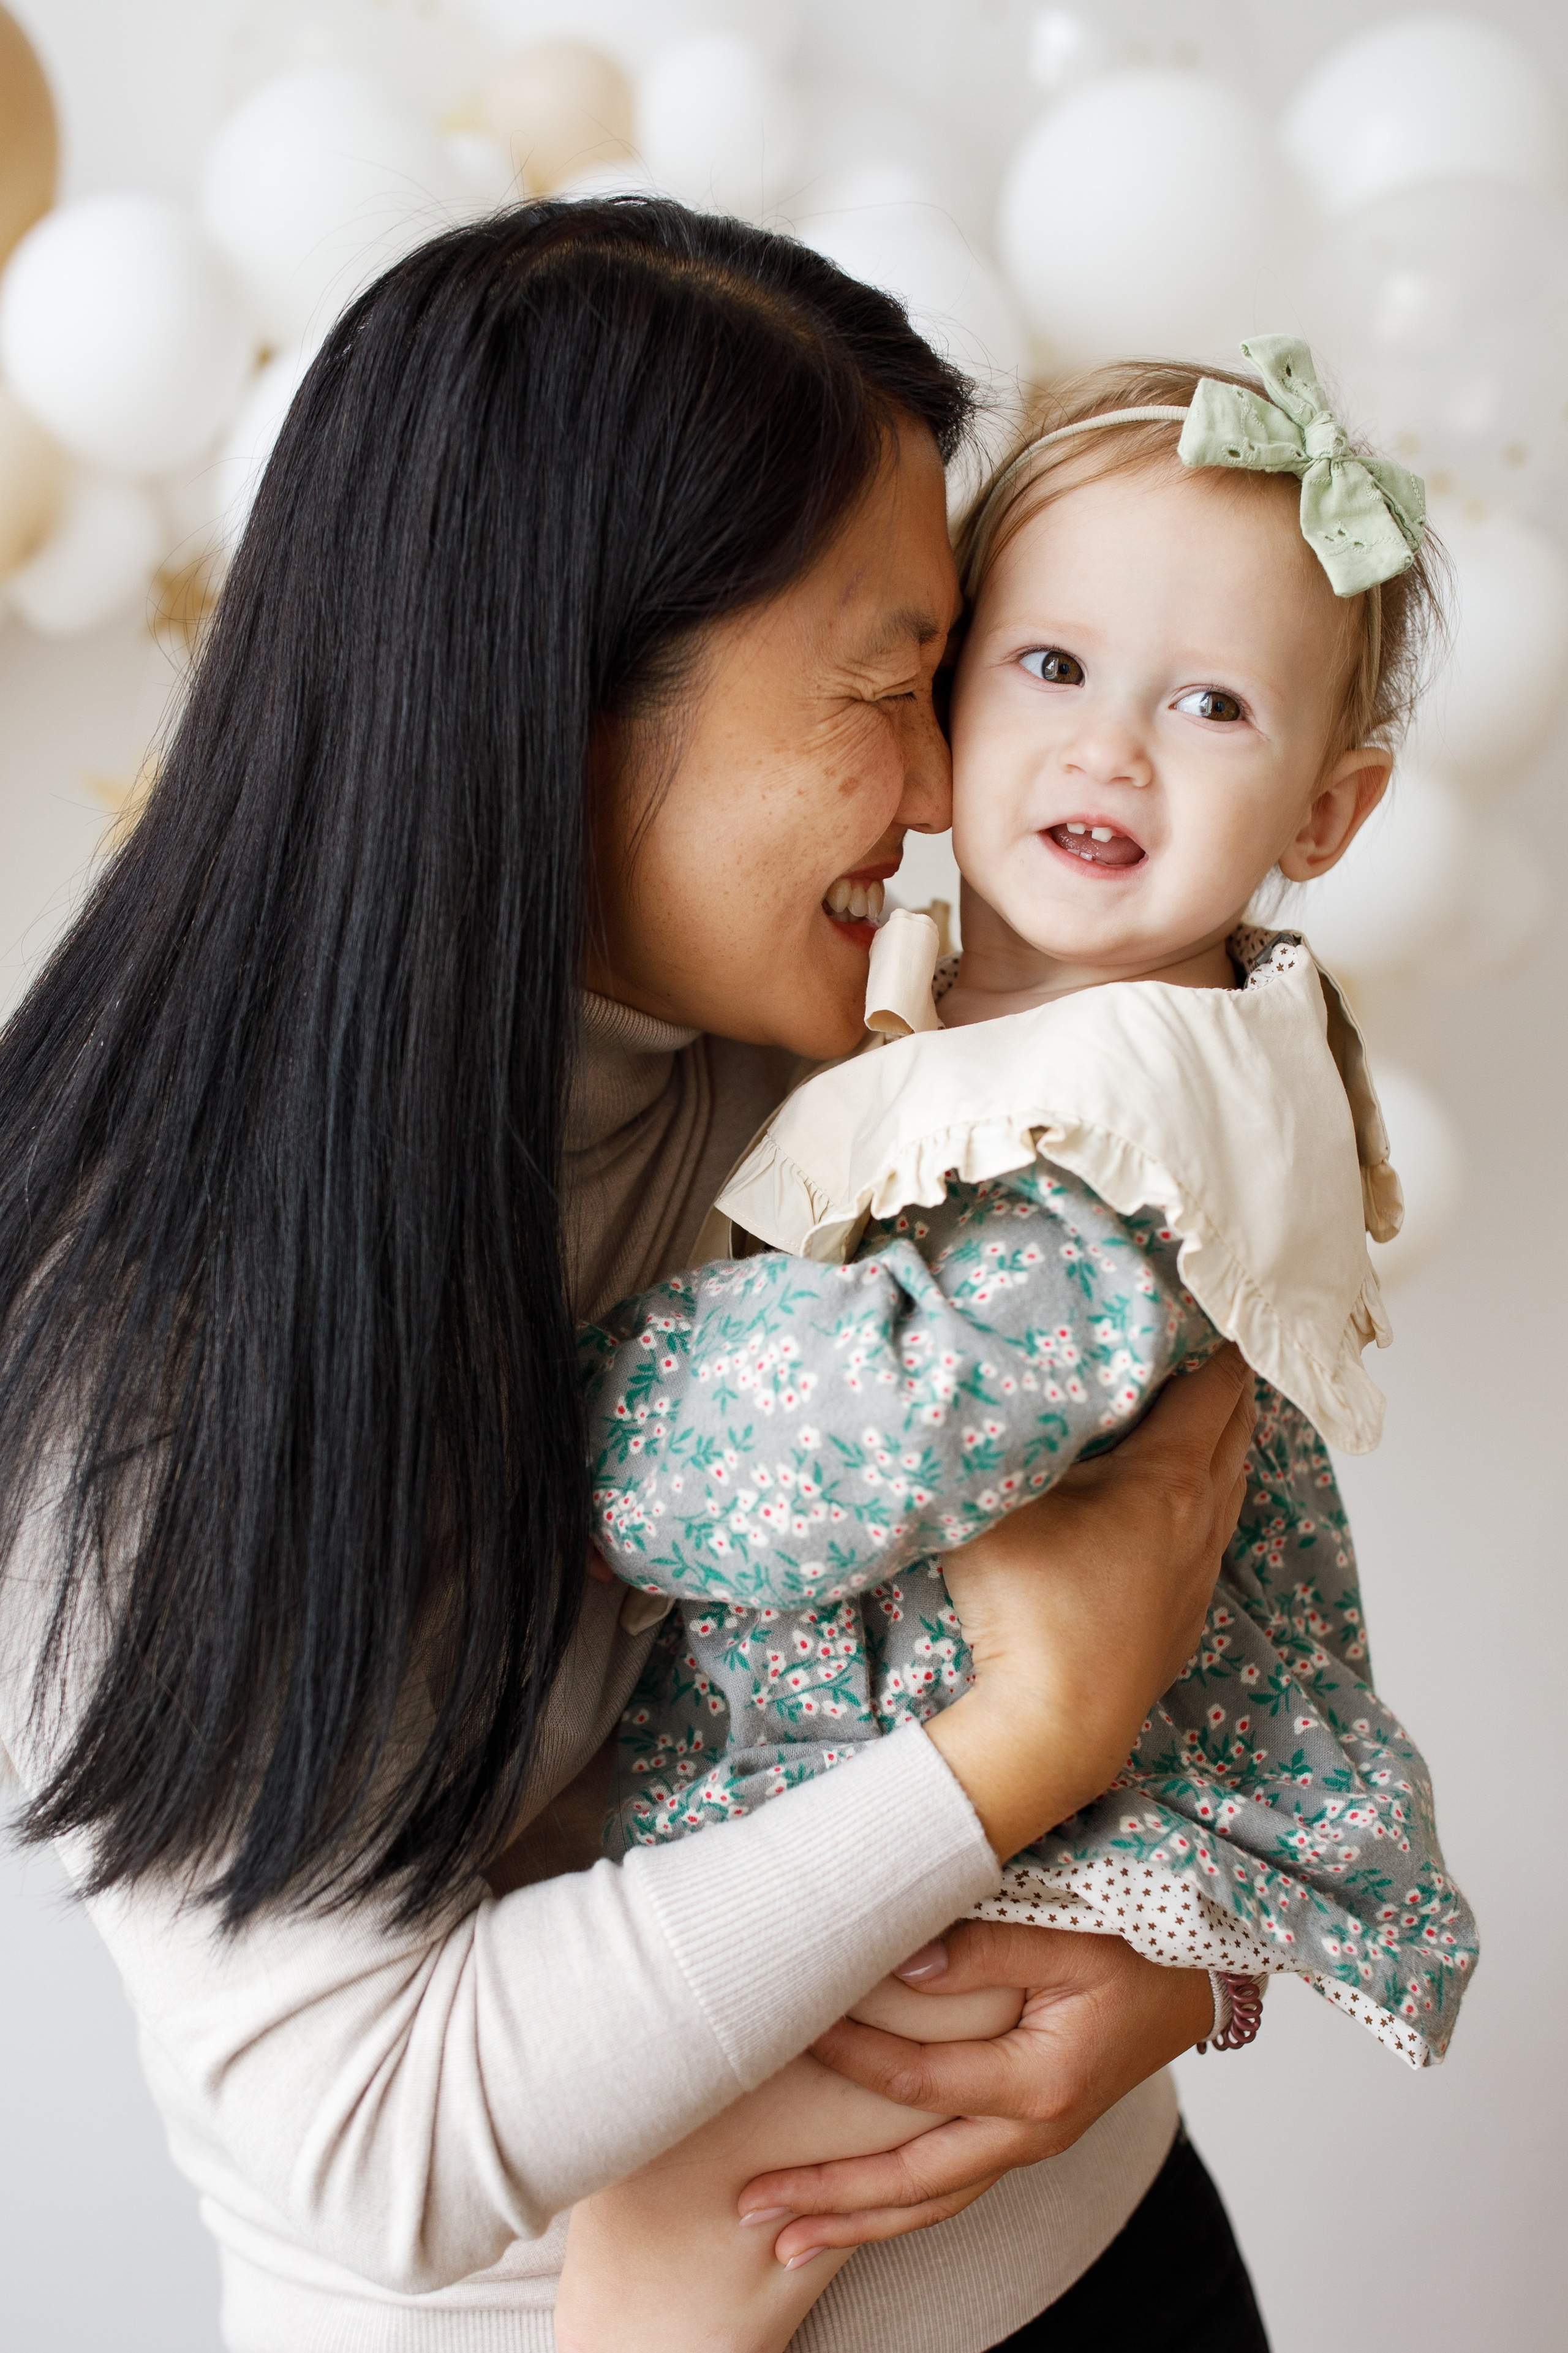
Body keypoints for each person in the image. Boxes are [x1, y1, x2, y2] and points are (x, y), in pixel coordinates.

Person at [0, 199, 1264, 2353]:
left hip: (1091, 2252)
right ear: (558, 696)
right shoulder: (147, 1312)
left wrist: (1193, 1959)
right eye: (885, 690)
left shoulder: (840, 1050)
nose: (950, 788)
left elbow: (1223, 1544)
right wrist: (1026, 1744)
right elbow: (361, 2128)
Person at [554, 342, 1477, 2353]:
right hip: (976, 1786)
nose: (1113, 751)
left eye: (1209, 705)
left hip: (1031, 1823)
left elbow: (904, 1415)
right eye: (1054, 666)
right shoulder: (942, 1019)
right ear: (945, 691)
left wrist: (593, 1404)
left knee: (690, 2216)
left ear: (1330, 809)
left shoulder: (1131, 1107)